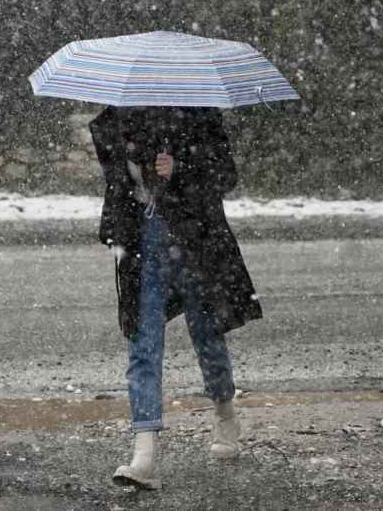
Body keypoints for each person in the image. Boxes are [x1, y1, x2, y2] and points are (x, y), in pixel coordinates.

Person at [89, 106, 263, 490]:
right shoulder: (115, 122)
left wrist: (180, 168)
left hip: (194, 238)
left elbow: (225, 175)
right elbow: (116, 187)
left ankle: (223, 412)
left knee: (207, 334)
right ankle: (144, 452)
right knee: (142, 343)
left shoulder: (197, 114)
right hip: (142, 245)